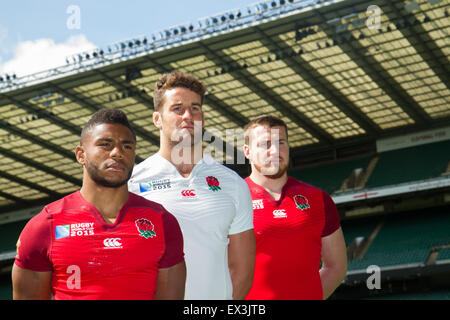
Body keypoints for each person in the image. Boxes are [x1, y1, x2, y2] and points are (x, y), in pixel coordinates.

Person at [12, 108, 186, 300]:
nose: (117, 152)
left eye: (127, 147)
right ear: (80, 155)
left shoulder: (162, 222)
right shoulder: (45, 225)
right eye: (105, 144)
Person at [129, 71, 255, 300]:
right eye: (177, 108)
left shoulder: (232, 183)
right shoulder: (132, 183)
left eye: (195, 108)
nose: (188, 115)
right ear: (157, 118)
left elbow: (242, 270)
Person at [242, 115, 347, 300]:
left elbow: (336, 267)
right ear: (247, 151)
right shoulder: (231, 199)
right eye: (265, 144)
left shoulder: (319, 199)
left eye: (281, 142)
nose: (274, 151)